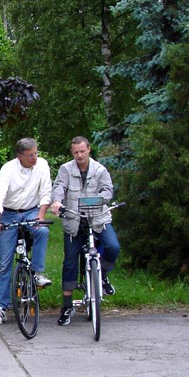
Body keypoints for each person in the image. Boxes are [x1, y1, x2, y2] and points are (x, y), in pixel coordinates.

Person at [50, 136, 121, 326]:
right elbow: (59, 187)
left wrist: (98, 200)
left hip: (97, 219)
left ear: (89, 149)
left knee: (113, 246)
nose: (79, 155)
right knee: (70, 263)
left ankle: (102, 275)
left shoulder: (100, 170)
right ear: (72, 153)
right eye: (76, 152)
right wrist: (57, 201)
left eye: (82, 151)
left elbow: (108, 190)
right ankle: (67, 306)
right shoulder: (66, 169)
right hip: (74, 222)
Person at [0, 138, 53, 326]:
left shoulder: (42, 165)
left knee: (42, 232)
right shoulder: (8, 169)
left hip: (32, 211)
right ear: (20, 156)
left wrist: (40, 216)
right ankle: (1, 308)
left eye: (36, 153)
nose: (34, 157)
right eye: (30, 155)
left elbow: (46, 192)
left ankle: (37, 272)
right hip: (9, 214)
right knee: (4, 263)